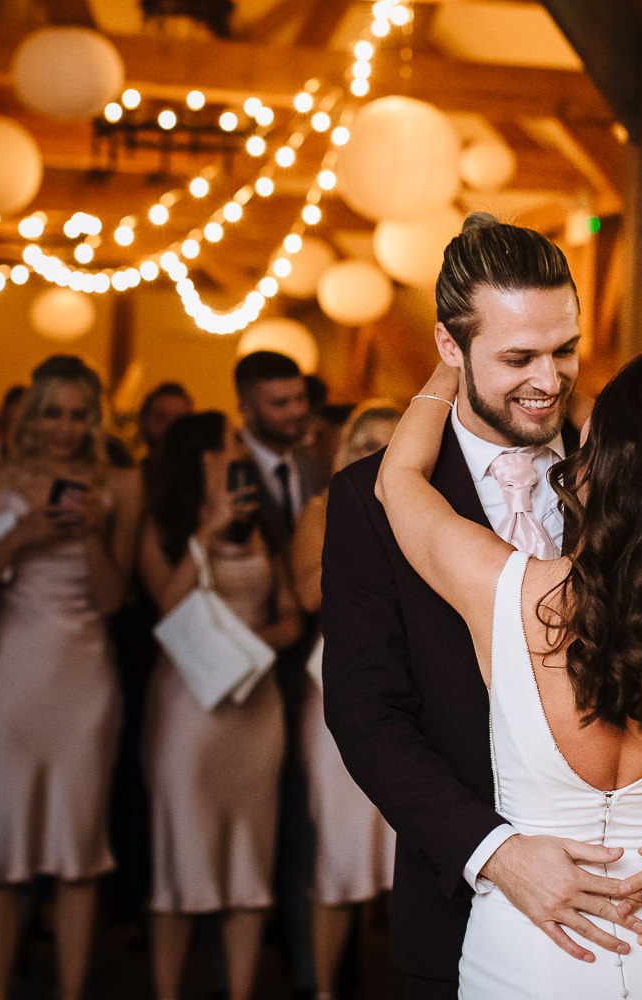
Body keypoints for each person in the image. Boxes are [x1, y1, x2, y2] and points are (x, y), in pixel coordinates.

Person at [323, 213, 642, 999]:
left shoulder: (625, 471)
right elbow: (364, 714)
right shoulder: (361, 502)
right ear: (450, 346)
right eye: (518, 356)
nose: (550, 380)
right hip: (465, 906)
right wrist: (493, 852)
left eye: (565, 350)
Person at [0, 355, 141, 1000]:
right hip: (13, 675)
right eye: (53, 412)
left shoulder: (120, 482)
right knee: (0, 846)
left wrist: (88, 535)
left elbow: (116, 601)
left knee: (78, 850)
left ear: (95, 419)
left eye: (78, 413)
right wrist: (21, 535)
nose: (64, 426)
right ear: (34, 414)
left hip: (85, 680)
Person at [138, 410, 302, 1000]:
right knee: (180, 854)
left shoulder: (265, 523)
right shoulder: (163, 523)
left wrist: (257, 646)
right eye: (228, 444)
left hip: (254, 706)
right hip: (188, 709)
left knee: (248, 857)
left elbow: (290, 614)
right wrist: (207, 531)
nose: (238, 451)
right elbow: (167, 605)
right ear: (202, 459)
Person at [290, 403, 402, 1000]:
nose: (377, 456)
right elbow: (308, 595)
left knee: (405, 849)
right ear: (346, 451)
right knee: (338, 849)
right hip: (335, 687)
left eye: (390, 445)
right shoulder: (321, 511)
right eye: (366, 445)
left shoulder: (426, 513)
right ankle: (325, 990)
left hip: (406, 690)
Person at [233, 351, 329, 554]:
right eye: (280, 403)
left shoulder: (314, 462)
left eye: (300, 398)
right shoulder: (228, 464)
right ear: (245, 407)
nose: (297, 411)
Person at [136, 382, 192, 461]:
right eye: (161, 418)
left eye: (179, 420)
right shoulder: (130, 472)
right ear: (144, 422)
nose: (170, 427)